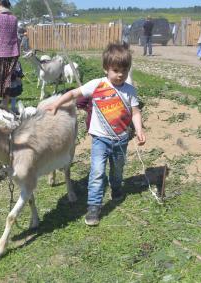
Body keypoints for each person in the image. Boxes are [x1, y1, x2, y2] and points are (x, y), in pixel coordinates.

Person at [45, 43, 146, 226]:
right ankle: (94, 207)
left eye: (124, 70)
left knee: (117, 170)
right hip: (100, 139)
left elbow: (136, 112)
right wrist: (56, 104)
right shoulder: (97, 85)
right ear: (105, 69)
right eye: (115, 70)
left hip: (121, 139)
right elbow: (74, 93)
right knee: (97, 172)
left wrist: (139, 130)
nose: (120, 74)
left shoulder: (130, 91)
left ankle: (116, 187)